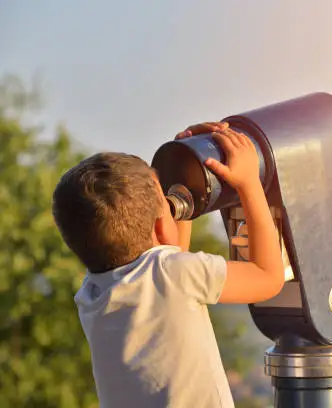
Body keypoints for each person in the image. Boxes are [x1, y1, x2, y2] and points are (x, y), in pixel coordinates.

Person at [52, 121, 285, 408]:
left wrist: (182, 173)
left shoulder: (92, 294)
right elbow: (267, 276)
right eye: (168, 202)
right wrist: (249, 183)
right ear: (162, 225)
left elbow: (168, 256)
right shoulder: (172, 274)